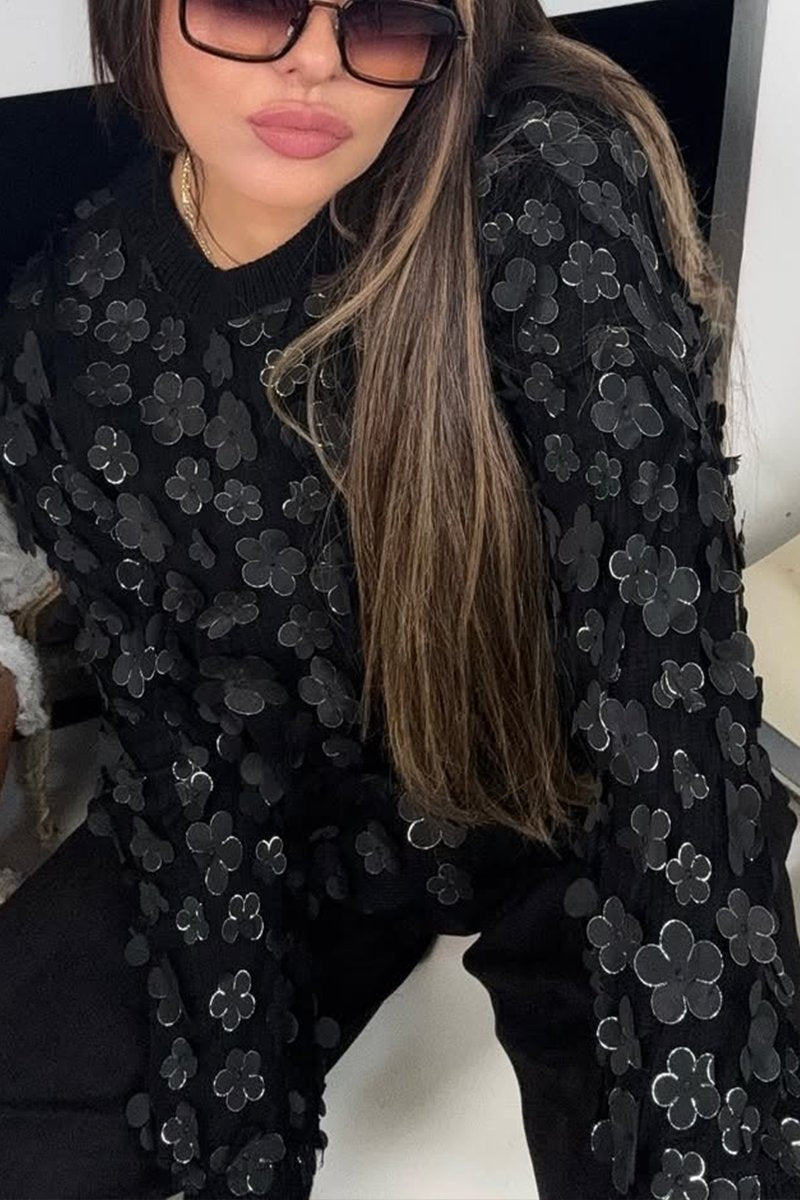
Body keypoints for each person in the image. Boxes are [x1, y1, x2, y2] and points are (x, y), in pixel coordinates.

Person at [1, 0, 799, 1197]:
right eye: (250, 1)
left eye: (383, 17)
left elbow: (661, 690)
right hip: (301, 812)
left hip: (574, 783)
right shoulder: (67, 334)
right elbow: (189, 756)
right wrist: (237, 1152)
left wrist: (707, 1154)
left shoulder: (535, 176)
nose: (315, 62)